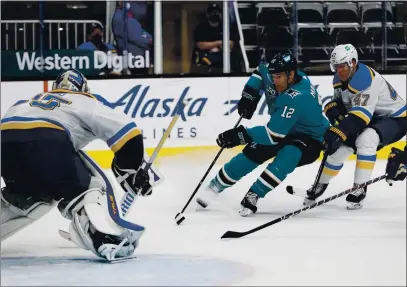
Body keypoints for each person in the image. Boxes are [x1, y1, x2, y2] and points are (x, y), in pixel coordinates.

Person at [1, 69, 161, 261]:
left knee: (30, 199)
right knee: (92, 187)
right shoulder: (86, 101)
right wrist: (131, 171)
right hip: (48, 141)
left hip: (5, 142)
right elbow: (128, 132)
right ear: (83, 88)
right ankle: (101, 236)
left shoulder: (29, 101)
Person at [196, 53, 329, 217]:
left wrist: (240, 135)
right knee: (254, 151)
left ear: (291, 74)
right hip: (287, 128)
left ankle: (254, 194)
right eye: (273, 76)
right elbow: (260, 72)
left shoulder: (296, 97)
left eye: (279, 77)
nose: (275, 81)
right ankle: (215, 186)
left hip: (310, 138)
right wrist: (249, 94)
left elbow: (273, 136)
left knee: (288, 155)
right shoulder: (287, 74)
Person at [305, 44, 407, 210]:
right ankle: (320, 184)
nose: (339, 70)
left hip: (395, 118)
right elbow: (338, 102)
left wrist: (338, 131)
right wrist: (334, 113)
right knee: (340, 148)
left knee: (366, 140)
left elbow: (360, 117)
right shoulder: (340, 78)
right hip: (373, 117)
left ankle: (359, 188)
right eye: (336, 67)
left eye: (342, 66)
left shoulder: (364, 79)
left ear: (353, 63)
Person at [191, 3, 239, 73]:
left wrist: (212, 46)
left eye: (217, 12)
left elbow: (231, 44)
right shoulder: (200, 28)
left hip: (222, 64)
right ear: (207, 14)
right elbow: (201, 45)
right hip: (203, 63)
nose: (214, 14)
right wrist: (220, 43)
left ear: (221, 14)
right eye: (211, 12)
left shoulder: (227, 27)